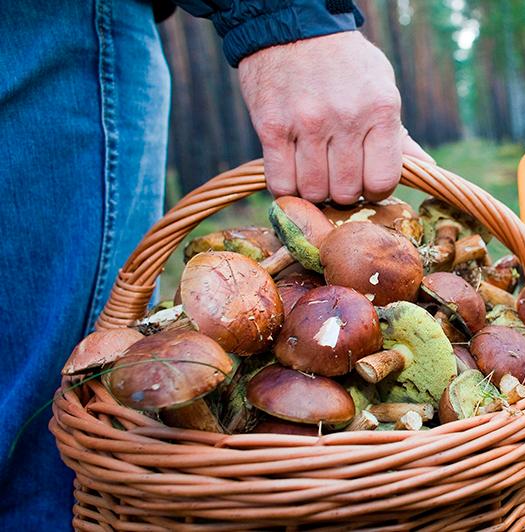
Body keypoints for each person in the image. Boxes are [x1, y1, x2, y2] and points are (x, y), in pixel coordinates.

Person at [0, 1, 430, 528]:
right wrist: (291, 27)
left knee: (33, 431)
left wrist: (287, 23)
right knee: (66, 416)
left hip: (54, 25)